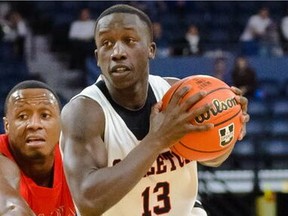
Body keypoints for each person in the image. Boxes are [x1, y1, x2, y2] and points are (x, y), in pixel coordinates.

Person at [60, 4, 249, 216]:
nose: (117, 52)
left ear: (151, 49)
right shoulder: (83, 113)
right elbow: (88, 202)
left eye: (129, 40)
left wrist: (228, 128)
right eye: (106, 43)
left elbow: (212, 158)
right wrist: (157, 140)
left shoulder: (176, 94)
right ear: (97, 57)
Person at [0, 80, 75, 215]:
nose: (34, 125)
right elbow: (10, 209)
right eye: (22, 116)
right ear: (7, 126)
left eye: (45, 115)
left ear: (61, 123)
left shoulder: (75, 156)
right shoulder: (2, 160)